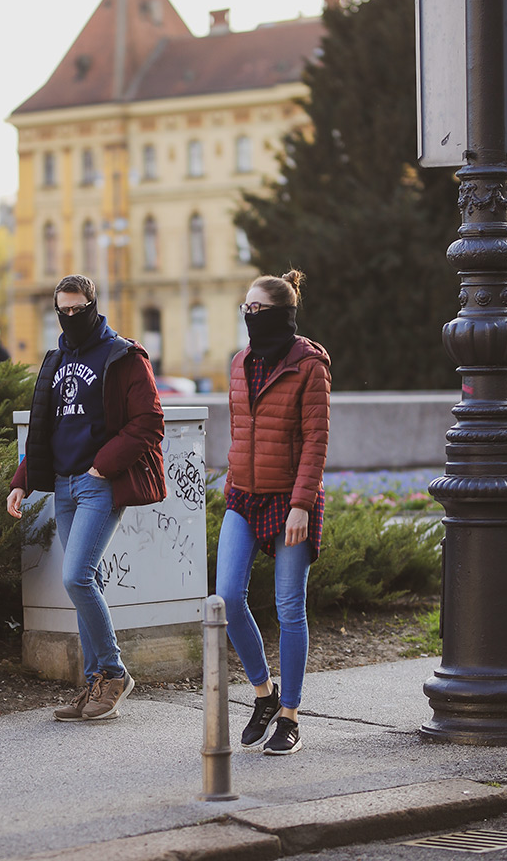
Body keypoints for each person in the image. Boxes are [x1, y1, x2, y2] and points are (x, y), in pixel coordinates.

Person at [7, 274, 166, 722]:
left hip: (99, 483)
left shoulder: (123, 356)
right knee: (84, 584)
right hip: (63, 484)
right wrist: (22, 479)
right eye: (64, 310)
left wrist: (103, 465)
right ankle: (95, 684)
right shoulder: (56, 359)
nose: (72, 317)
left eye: (80, 309)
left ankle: (114, 673)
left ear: (94, 305)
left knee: (77, 577)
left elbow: (150, 421)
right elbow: (45, 431)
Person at [215, 270, 330, 755]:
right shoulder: (240, 362)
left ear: (280, 315)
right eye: (245, 307)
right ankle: (264, 694)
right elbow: (240, 433)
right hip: (244, 496)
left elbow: (316, 441)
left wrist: (302, 503)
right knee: (225, 597)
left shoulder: (309, 365)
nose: (248, 315)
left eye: (256, 309)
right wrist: (231, 483)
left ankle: (290, 716)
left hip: (290, 501)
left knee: (288, 608)